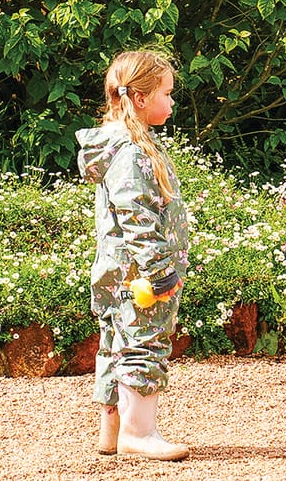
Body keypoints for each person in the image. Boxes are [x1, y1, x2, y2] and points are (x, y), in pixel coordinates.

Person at [76, 50, 193, 461]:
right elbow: (136, 215)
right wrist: (160, 271)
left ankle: (112, 431)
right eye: (166, 92)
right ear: (140, 98)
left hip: (119, 271)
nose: (172, 101)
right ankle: (138, 432)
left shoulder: (123, 145)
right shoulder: (132, 152)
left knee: (114, 341)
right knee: (143, 342)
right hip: (138, 275)